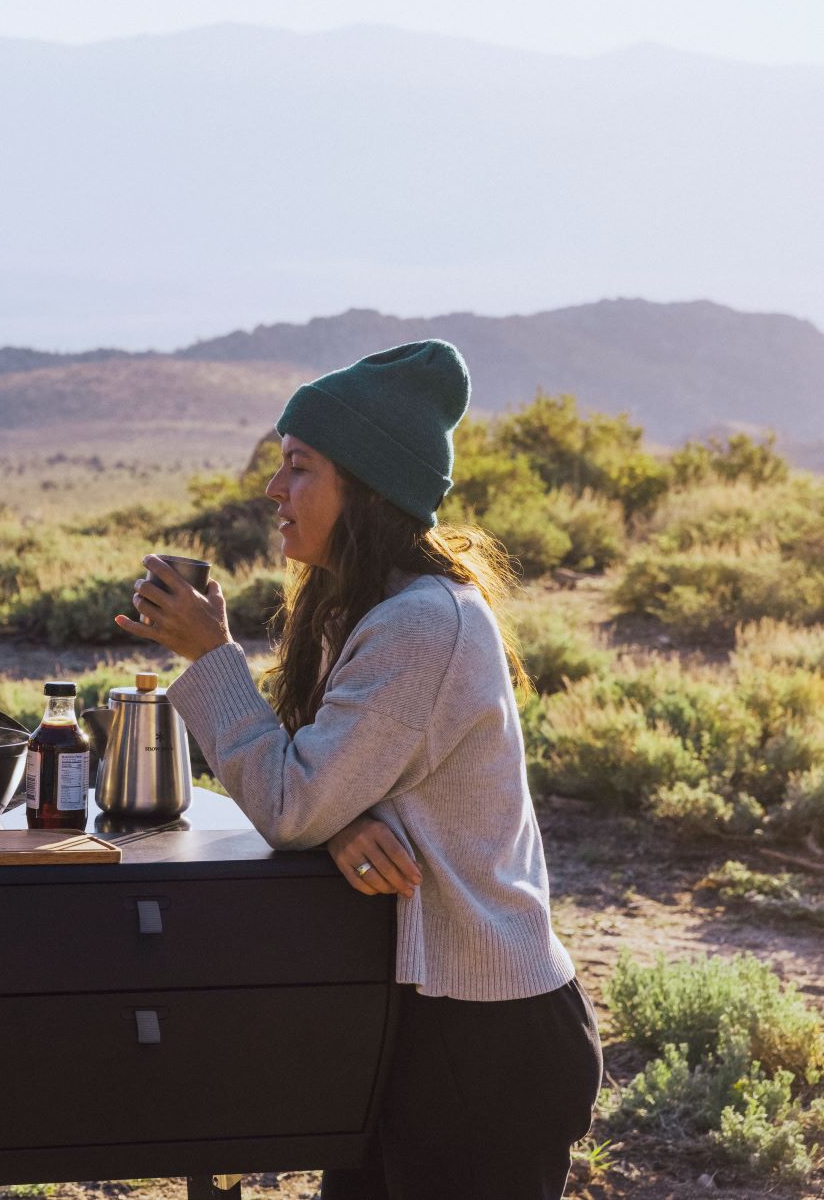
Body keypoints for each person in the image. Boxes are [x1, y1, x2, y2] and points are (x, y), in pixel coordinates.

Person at [116, 341, 602, 1200]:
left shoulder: (420, 624)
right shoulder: (373, 612)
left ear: (368, 487)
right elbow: (318, 787)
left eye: (299, 467)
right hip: (426, 1021)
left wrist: (212, 656)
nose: (274, 488)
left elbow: (291, 799)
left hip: (483, 1038)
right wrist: (340, 817)